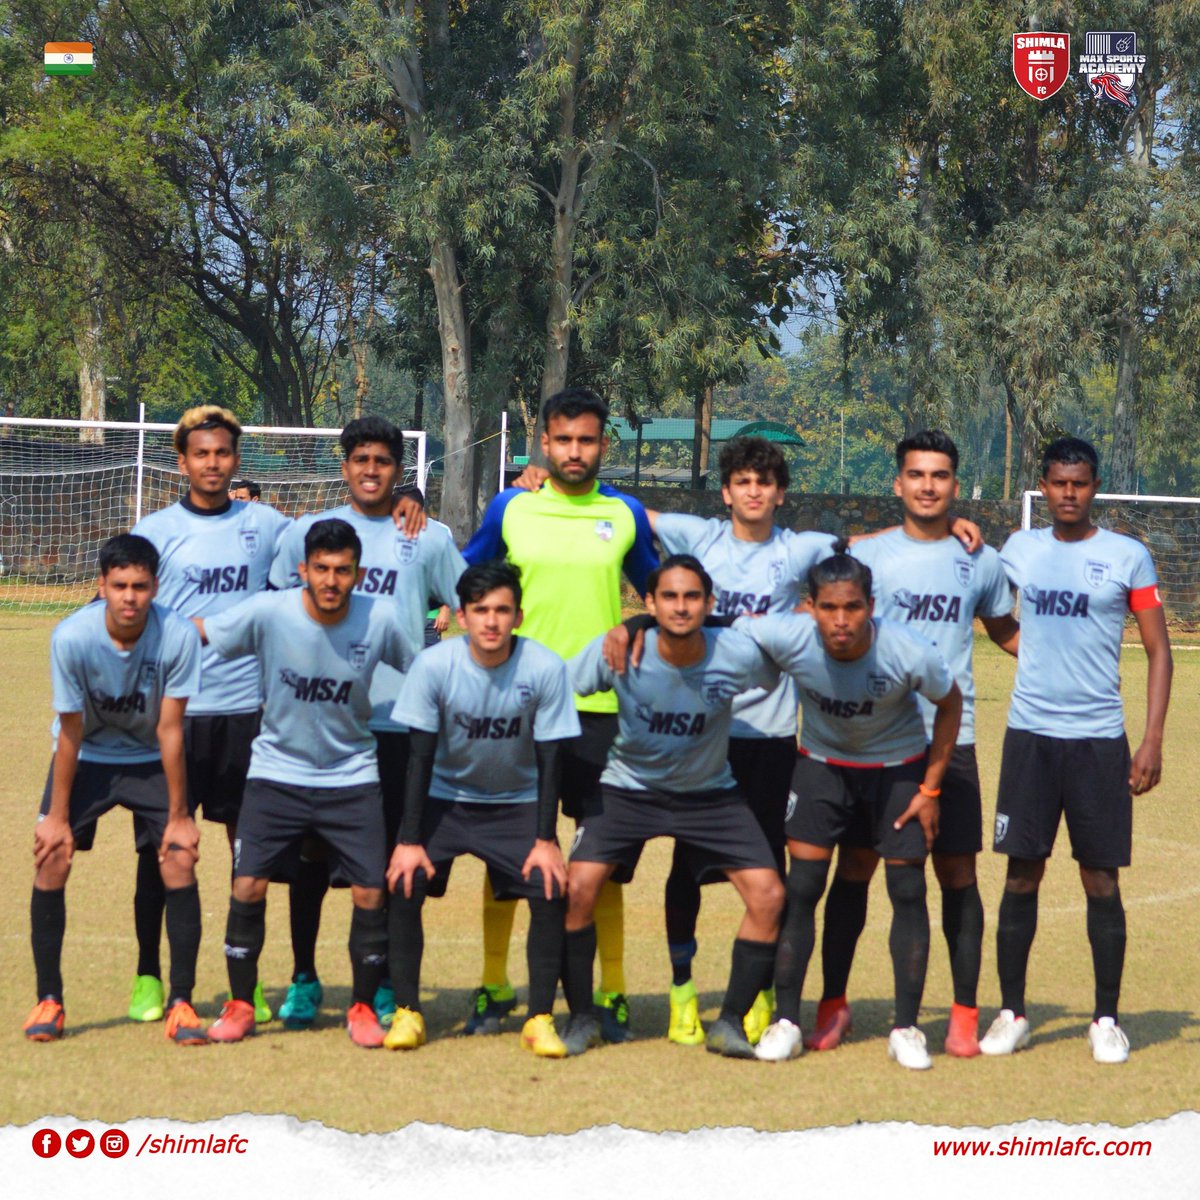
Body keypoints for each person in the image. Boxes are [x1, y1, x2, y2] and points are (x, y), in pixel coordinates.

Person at [400, 387, 657, 1039]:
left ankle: (612, 992)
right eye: (562, 439)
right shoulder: (512, 506)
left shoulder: (624, 513)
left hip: (598, 710)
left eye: (587, 439)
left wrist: (636, 626)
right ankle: (494, 985)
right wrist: (412, 518)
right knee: (507, 850)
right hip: (516, 706)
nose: (575, 450)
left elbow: (663, 592)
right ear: (543, 442)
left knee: (599, 857)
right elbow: (462, 575)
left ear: (603, 444)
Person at [809, 430, 1018, 1057]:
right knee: (855, 868)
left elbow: (1005, 631)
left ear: (955, 484)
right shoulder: (864, 555)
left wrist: (1066, 663)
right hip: (871, 740)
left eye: (940, 475)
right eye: (917, 475)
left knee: (958, 873)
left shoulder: (980, 559)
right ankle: (833, 1004)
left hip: (953, 740)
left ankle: (962, 1014)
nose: (928, 486)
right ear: (898, 482)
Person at [267, 418, 465, 1030]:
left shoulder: (428, 536)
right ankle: (303, 977)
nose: (370, 470)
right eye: (360, 459)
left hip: (402, 725)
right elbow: (277, 607)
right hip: (322, 723)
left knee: (390, 861)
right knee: (309, 859)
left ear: (398, 470)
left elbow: (473, 604)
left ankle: (379, 984)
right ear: (345, 465)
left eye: (382, 460)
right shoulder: (309, 532)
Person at [979, 437, 1172, 1065]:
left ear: (1094, 487)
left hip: (1099, 741)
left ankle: (1106, 1019)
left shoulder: (1127, 556)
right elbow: (992, 611)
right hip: (1030, 737)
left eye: (1080, 483)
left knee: (1100, 879)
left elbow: (1159, 651)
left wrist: (1151, 739)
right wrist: (1026, 648)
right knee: (1021, 874)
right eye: (1059, 483)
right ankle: (1012, 1013)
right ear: (1044, 485)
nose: (1068, 493)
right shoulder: (1019, 549)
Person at [197, 519, 419, 1047]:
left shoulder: (380, 618)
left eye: (342, 570)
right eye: (321, 568)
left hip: (352, 776)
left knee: (369, 891)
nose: (331, 580)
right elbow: (202, 630)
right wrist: (130, 623)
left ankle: (361, 1007)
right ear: (303, 570)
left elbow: (424, 670)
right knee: (247, 885)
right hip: (276, 774)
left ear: (358, 575)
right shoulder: (270, 612)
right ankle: (240, 1004)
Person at [741, 544, 962, 1069]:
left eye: (853, 607)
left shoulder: (907, 650)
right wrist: (636, 629)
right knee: (802, 888)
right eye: (829, 608)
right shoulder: (787, 635)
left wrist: (930, 789)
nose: (841, 620)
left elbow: (951, 703)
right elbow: (718, 632)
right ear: (809, 607)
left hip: (896, 771)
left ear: (871, 606)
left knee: (907, 890)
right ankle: (787, 1021)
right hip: (822, 767)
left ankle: (906, 1029)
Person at [562, 555, 785, 1059]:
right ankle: (581, 1018)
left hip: (710, 794)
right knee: (575, 889)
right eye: (669, 597)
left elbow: (787, 664)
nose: (680, 607)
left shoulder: (735, 653)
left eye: (691, 597)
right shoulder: (620, 649)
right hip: (628, 790)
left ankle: (729, 1022)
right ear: (649, 602)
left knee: (769, 895)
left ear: (708, 603)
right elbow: (559, 685)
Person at [126, 406, 291, 1026]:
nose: (213, 463)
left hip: (246, 713)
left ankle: (245, 984)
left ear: (235, 459)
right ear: (182, 462)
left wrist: (405, 506)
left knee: (250, 856)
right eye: (201, 454)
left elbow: (335, 535)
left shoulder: (266, 524)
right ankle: (150, 976)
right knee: (161, 850)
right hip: (171, 715)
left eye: (223, 453)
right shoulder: (156, 530)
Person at [384, 562, 580, 1056]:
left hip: (516, 805)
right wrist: (408, 840)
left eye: (502, 610)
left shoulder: (545, 667)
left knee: (550, 887)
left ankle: (539, 1018)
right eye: (480, 610)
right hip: (445, 802)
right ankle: (407, 1012)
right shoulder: (434, 666)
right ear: (462, 616)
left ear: (518, 616)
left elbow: (551, 758)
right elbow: (418, 757)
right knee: (403, 882)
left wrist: (545, 839)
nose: (491, 621)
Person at [24, 534, 206, 1045]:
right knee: (51, 856)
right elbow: (70, 732)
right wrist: (57, 818)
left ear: (155, 587)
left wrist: (179, 816)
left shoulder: (177, 635)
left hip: (150, 756)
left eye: (140, 586)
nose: (130, 597)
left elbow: (171, 729)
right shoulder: (72, 637)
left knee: (178, 858)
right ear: (102, 585)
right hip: (88, 757)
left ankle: (181, 1002)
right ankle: (49, 1000)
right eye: (120, 585)